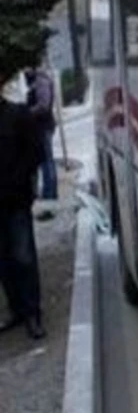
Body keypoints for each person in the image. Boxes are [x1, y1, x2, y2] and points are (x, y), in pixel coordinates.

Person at [0, 79, 47, 339]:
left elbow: (36, 153)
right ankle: (16, 310)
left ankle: (32, 315)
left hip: (16, 201)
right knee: (4, 261)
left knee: (23, 257)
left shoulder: (16, 115)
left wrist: (21, 180)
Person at [23, 67, 57, 201]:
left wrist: (27, 112)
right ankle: (48, 192)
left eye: (27, 69)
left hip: (43, 126)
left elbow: (43, 105)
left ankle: (50, 193)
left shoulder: (41, 80)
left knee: (46, 160)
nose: (25, 72)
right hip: (40, 127)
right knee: (43, 160)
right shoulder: (36, 81)